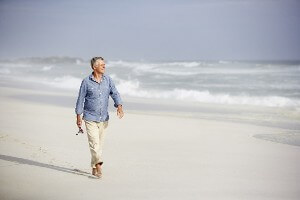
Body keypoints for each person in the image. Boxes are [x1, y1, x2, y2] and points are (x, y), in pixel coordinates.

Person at [75, 56, 124, 178]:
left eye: (104, 64)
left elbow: (115, 93)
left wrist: (119, 105)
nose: (104, 66)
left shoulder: (108, 80)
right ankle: (99, 166)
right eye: (101, 64)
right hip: (90, 117)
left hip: (104, 118)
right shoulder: (86, 82)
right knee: (94, 144)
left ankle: (93, 166)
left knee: (99, 146)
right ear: (94, 67)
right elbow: (80, 99)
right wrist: (78, 116)